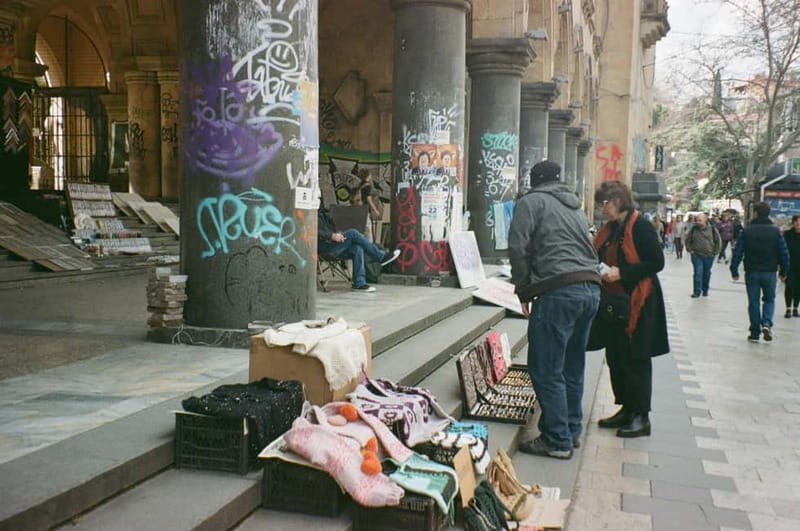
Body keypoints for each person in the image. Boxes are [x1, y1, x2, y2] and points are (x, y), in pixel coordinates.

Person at [508, 160, 601, 459]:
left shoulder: (531, 201)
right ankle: (571, 430)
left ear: (534, 180)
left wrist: (523, 289)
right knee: (572, 364)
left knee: (546, 367)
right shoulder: (574, 205)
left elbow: (518, 247)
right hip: (590, 288)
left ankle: (557, 439)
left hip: (559, 289)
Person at [592, 180, 669, 438]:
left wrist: (621, 273)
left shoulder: (641, 226)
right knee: (617, 357)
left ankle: (641, 416)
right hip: (615, 305)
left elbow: (656, 262)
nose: (602, 209)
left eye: (604, 203)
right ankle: (626, 408)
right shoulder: (611, 228)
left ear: (617, 200)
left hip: (639, 302)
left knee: (636, 359)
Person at [730, 202, 790, 342]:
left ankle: (755, 332)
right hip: (769, 271)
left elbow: (738, 251)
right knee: (769, 299)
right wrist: (784, 270)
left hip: (752, 271)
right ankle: (767, 323)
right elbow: (784, 252)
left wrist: (734, 269)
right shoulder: (776, 231)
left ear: (755, 213)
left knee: (753, 302)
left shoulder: (747, 231)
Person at [317, 206, 400, 292]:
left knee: (357, 248)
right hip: (324, 248)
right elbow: (315, 231)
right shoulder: (311, 214)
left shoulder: (323, 214)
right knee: (353, 233)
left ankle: (359, 283)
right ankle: (380, 257)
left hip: (331, 244)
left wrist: (336, 234)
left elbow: (330, 230)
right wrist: (331, 236)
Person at [685, 213, 721, 297]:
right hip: (697, 254)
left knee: (706, 273)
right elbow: (688, 240)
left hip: (709, 255)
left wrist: (715, 252)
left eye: (700, 220)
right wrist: (690, 250)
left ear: (705, 220)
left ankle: (705, 290)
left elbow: (718, 241)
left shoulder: (712, 229)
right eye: (696, 220)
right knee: (698, 272)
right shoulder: (694, 229)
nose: (697, 222)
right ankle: (697, 291)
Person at [784, 215, 800, 318]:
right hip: (789, 265)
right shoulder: (787, 234)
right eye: (797, 223)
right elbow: (783, 249)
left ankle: (795, 308)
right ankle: (788, 308)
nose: (799, 225)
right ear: (793, 223)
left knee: (798, 287)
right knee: (789, 286)